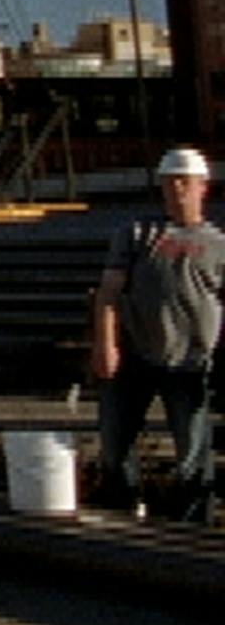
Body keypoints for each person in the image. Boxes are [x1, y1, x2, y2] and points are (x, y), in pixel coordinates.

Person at [90, 145, 225, 523]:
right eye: (168, 182)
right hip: (135, 354)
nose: (175, 188)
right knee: (116, 442)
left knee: (193, 453)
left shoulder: (218, 246)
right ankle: (124, 510)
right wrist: (106, 343)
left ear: (203, 187)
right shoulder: (137, 234)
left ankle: (194, 525)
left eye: (184, 181)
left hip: (191, 362)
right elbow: (109, 293)